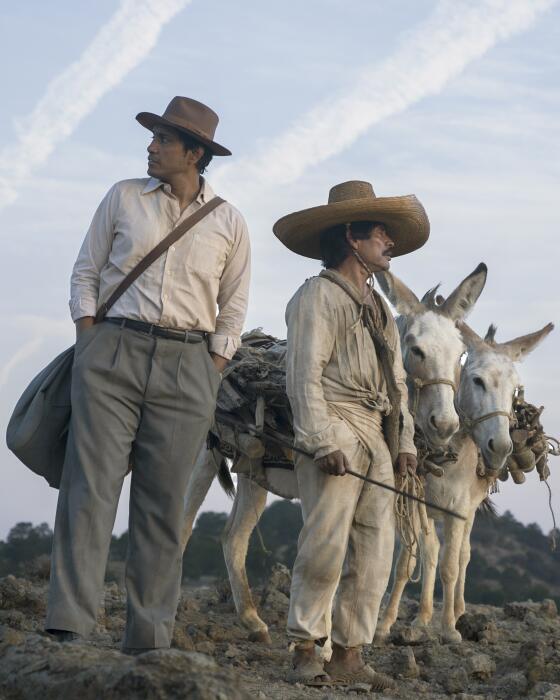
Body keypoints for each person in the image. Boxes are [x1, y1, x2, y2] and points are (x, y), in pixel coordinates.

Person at [45, 96, 251, 652]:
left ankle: (150, 639)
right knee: (88, 491)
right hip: (112, 350)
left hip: (189, 366)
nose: (152, 146)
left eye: (164, 139)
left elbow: (231, 310)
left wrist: (211, 369)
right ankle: (69, 626)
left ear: (195, 153)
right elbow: (85, 272)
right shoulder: (123, 197)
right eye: (154, 136)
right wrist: (90, 339)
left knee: (163, 507)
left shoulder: (230, 221)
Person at [273, 180, 429, 689]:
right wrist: (321, 440)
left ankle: (349, 652)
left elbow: (398, 383)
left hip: (375, 434)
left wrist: (403, 442)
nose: (389, 243)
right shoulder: (317, 296)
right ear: (351, 238)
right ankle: (304, 647)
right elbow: (304, 375)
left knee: (375, 548)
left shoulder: (380, 308)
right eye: (380, 233)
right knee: (324, 543)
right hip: (336, 423)